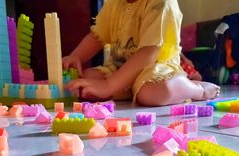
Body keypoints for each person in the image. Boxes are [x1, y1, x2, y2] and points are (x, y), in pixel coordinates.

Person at [63, 0, 220, 106]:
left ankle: (196, 89)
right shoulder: (115, 3)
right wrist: (77, 56)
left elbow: (148, 54)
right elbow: (98, 36)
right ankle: (127, 90)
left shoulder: (161, 4)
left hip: (155, 69)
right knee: (88, 78)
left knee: (152, 93)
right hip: (120, 68)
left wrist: (108, 86)